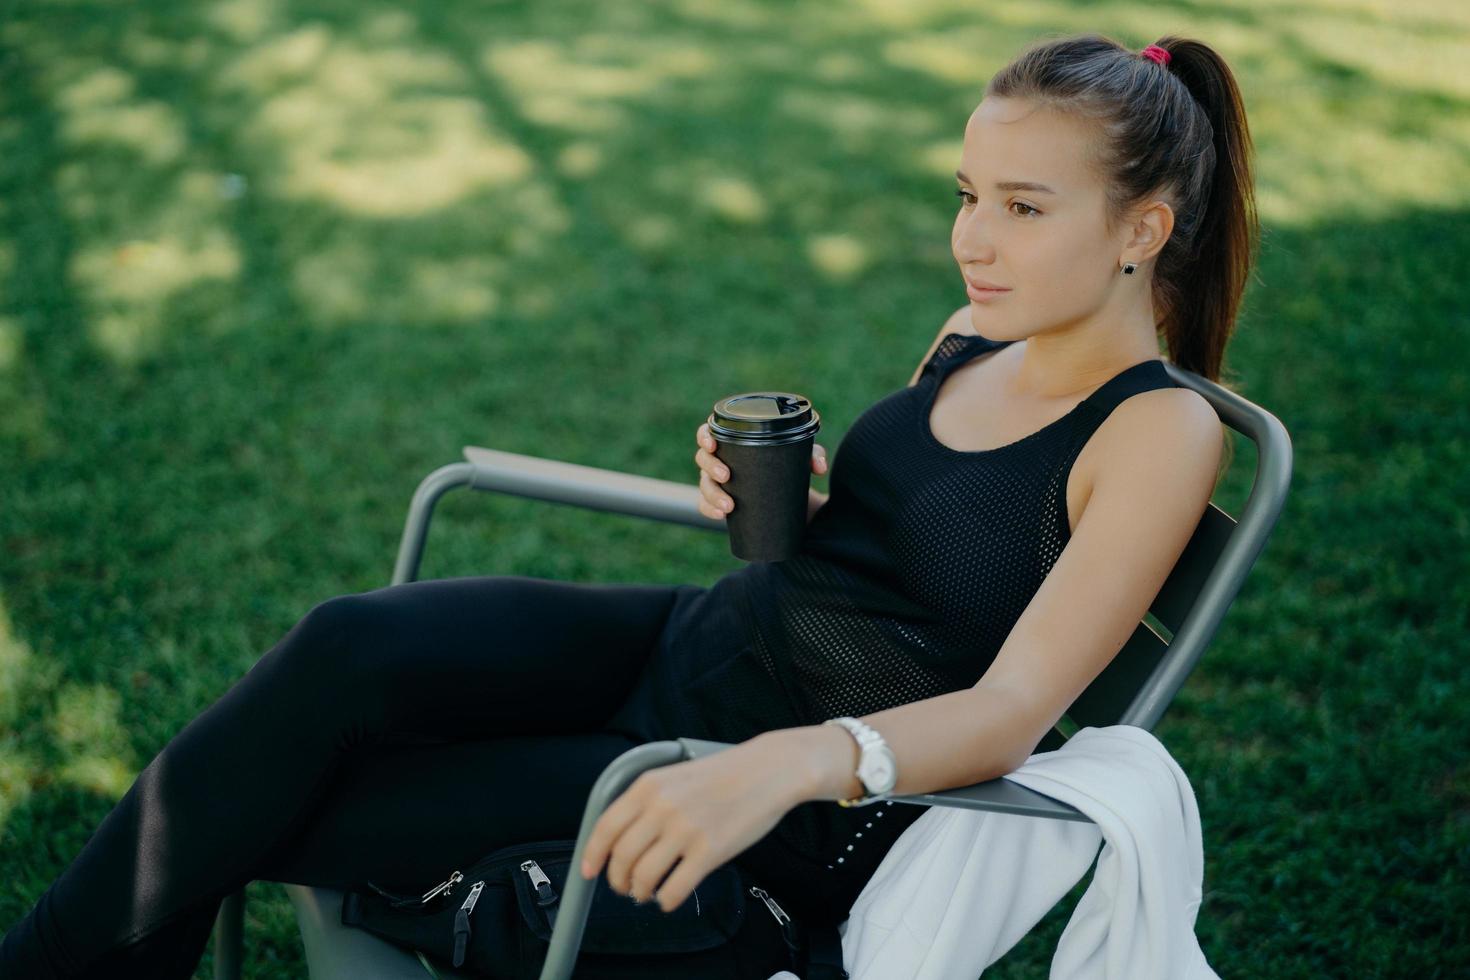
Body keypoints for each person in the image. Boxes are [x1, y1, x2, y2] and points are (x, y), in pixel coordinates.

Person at [1, 30, 1258, 978]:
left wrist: (782, 765)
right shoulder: (977, 333)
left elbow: (1006, 711)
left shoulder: (1159, 430)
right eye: (967, 193)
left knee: (308, 797)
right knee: (344, 647)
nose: (972, 240)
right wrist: (766, 505)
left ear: (1142, 227)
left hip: (757, 784)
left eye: (1023, 208)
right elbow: (905, 559)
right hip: (697, 640)